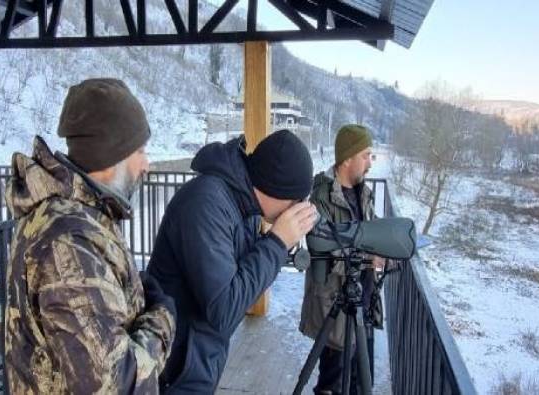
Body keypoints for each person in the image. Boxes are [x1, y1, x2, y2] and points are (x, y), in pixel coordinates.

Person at [4, 78, 176, 394]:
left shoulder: (81, 216)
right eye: (140, 150)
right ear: (112, 157)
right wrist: (162, 318)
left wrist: (130, 295)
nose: (146, 164)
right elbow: (114, 384)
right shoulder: (68, 241)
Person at [146, 129, 317, 394]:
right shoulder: (206, 203)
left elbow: (241, 283)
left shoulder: (242, 204)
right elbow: (224, 308)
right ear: (279, 191)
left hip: (196, 358)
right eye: (297, 201)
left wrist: (272, 242)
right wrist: (277, 242)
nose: (297, 208)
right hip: (174, 367)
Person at [299, 124, 385, 394]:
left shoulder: (363, 193)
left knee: (362, 380)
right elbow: (320, 251)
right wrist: (367, 255)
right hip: (336, 306)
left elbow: (371, 231)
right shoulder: (321, 196)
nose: (370, 163)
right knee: (333, 384)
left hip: (364, 303)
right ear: (347, 158)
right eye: (366, 155)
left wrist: (386, 248)